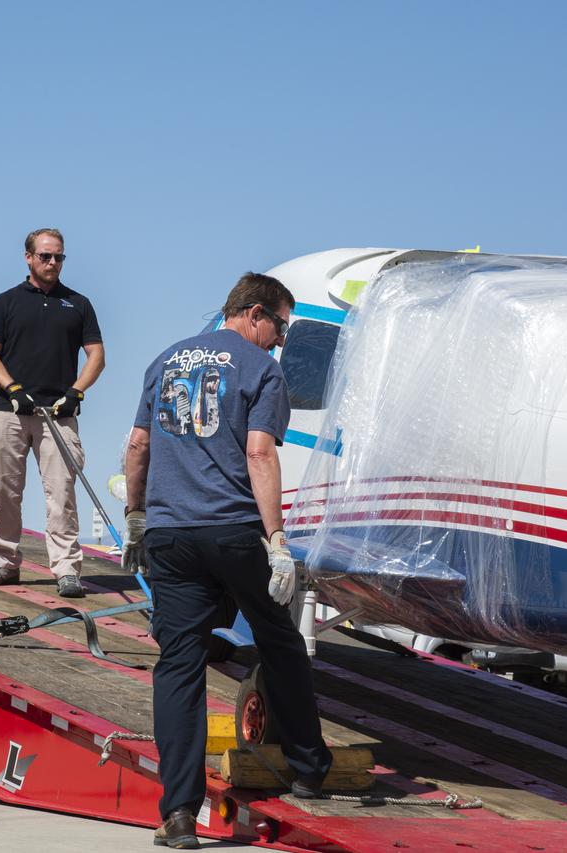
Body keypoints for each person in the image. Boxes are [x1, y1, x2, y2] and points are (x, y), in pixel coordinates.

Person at [123, 273, 332, 849]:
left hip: (170, 535)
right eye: (281, 327)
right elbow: (259, 454)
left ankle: (179, 814)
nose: (281, 340)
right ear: (255, 313)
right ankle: (310, 769)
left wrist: (136, 516)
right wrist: (277, 539)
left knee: (179, 665)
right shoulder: (261, 369)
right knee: (280, 642)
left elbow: (138, 444)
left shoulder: (165, 360)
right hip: (233, 531)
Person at [0, 228, 104, 598]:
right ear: (29, 257)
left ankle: (67, 570)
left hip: (58, 414)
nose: (52, 262)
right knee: (4, 490)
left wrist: (76, 392)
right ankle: (5, 562)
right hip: (10, 411)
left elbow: (97, 356)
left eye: (59, 257)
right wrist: (13, 388)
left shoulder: (78, 304)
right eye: (45, 256)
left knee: (62, 492)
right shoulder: (6, 302)